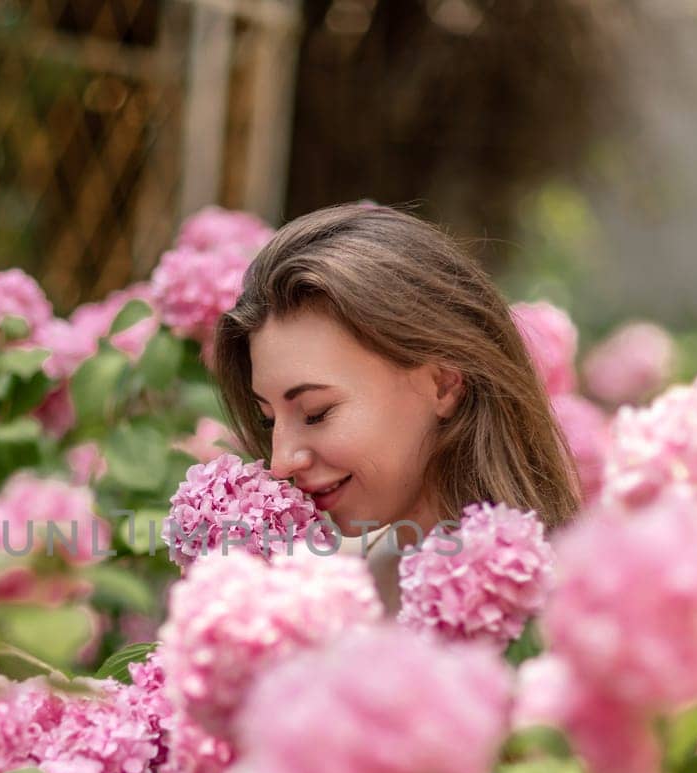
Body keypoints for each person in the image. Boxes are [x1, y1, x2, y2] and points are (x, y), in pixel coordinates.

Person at [213, 202, 582, 613]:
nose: (280, 462)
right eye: (268, 421)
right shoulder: (350, 594)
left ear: (443, 383)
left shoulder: (561, 608)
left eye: (316, 412)